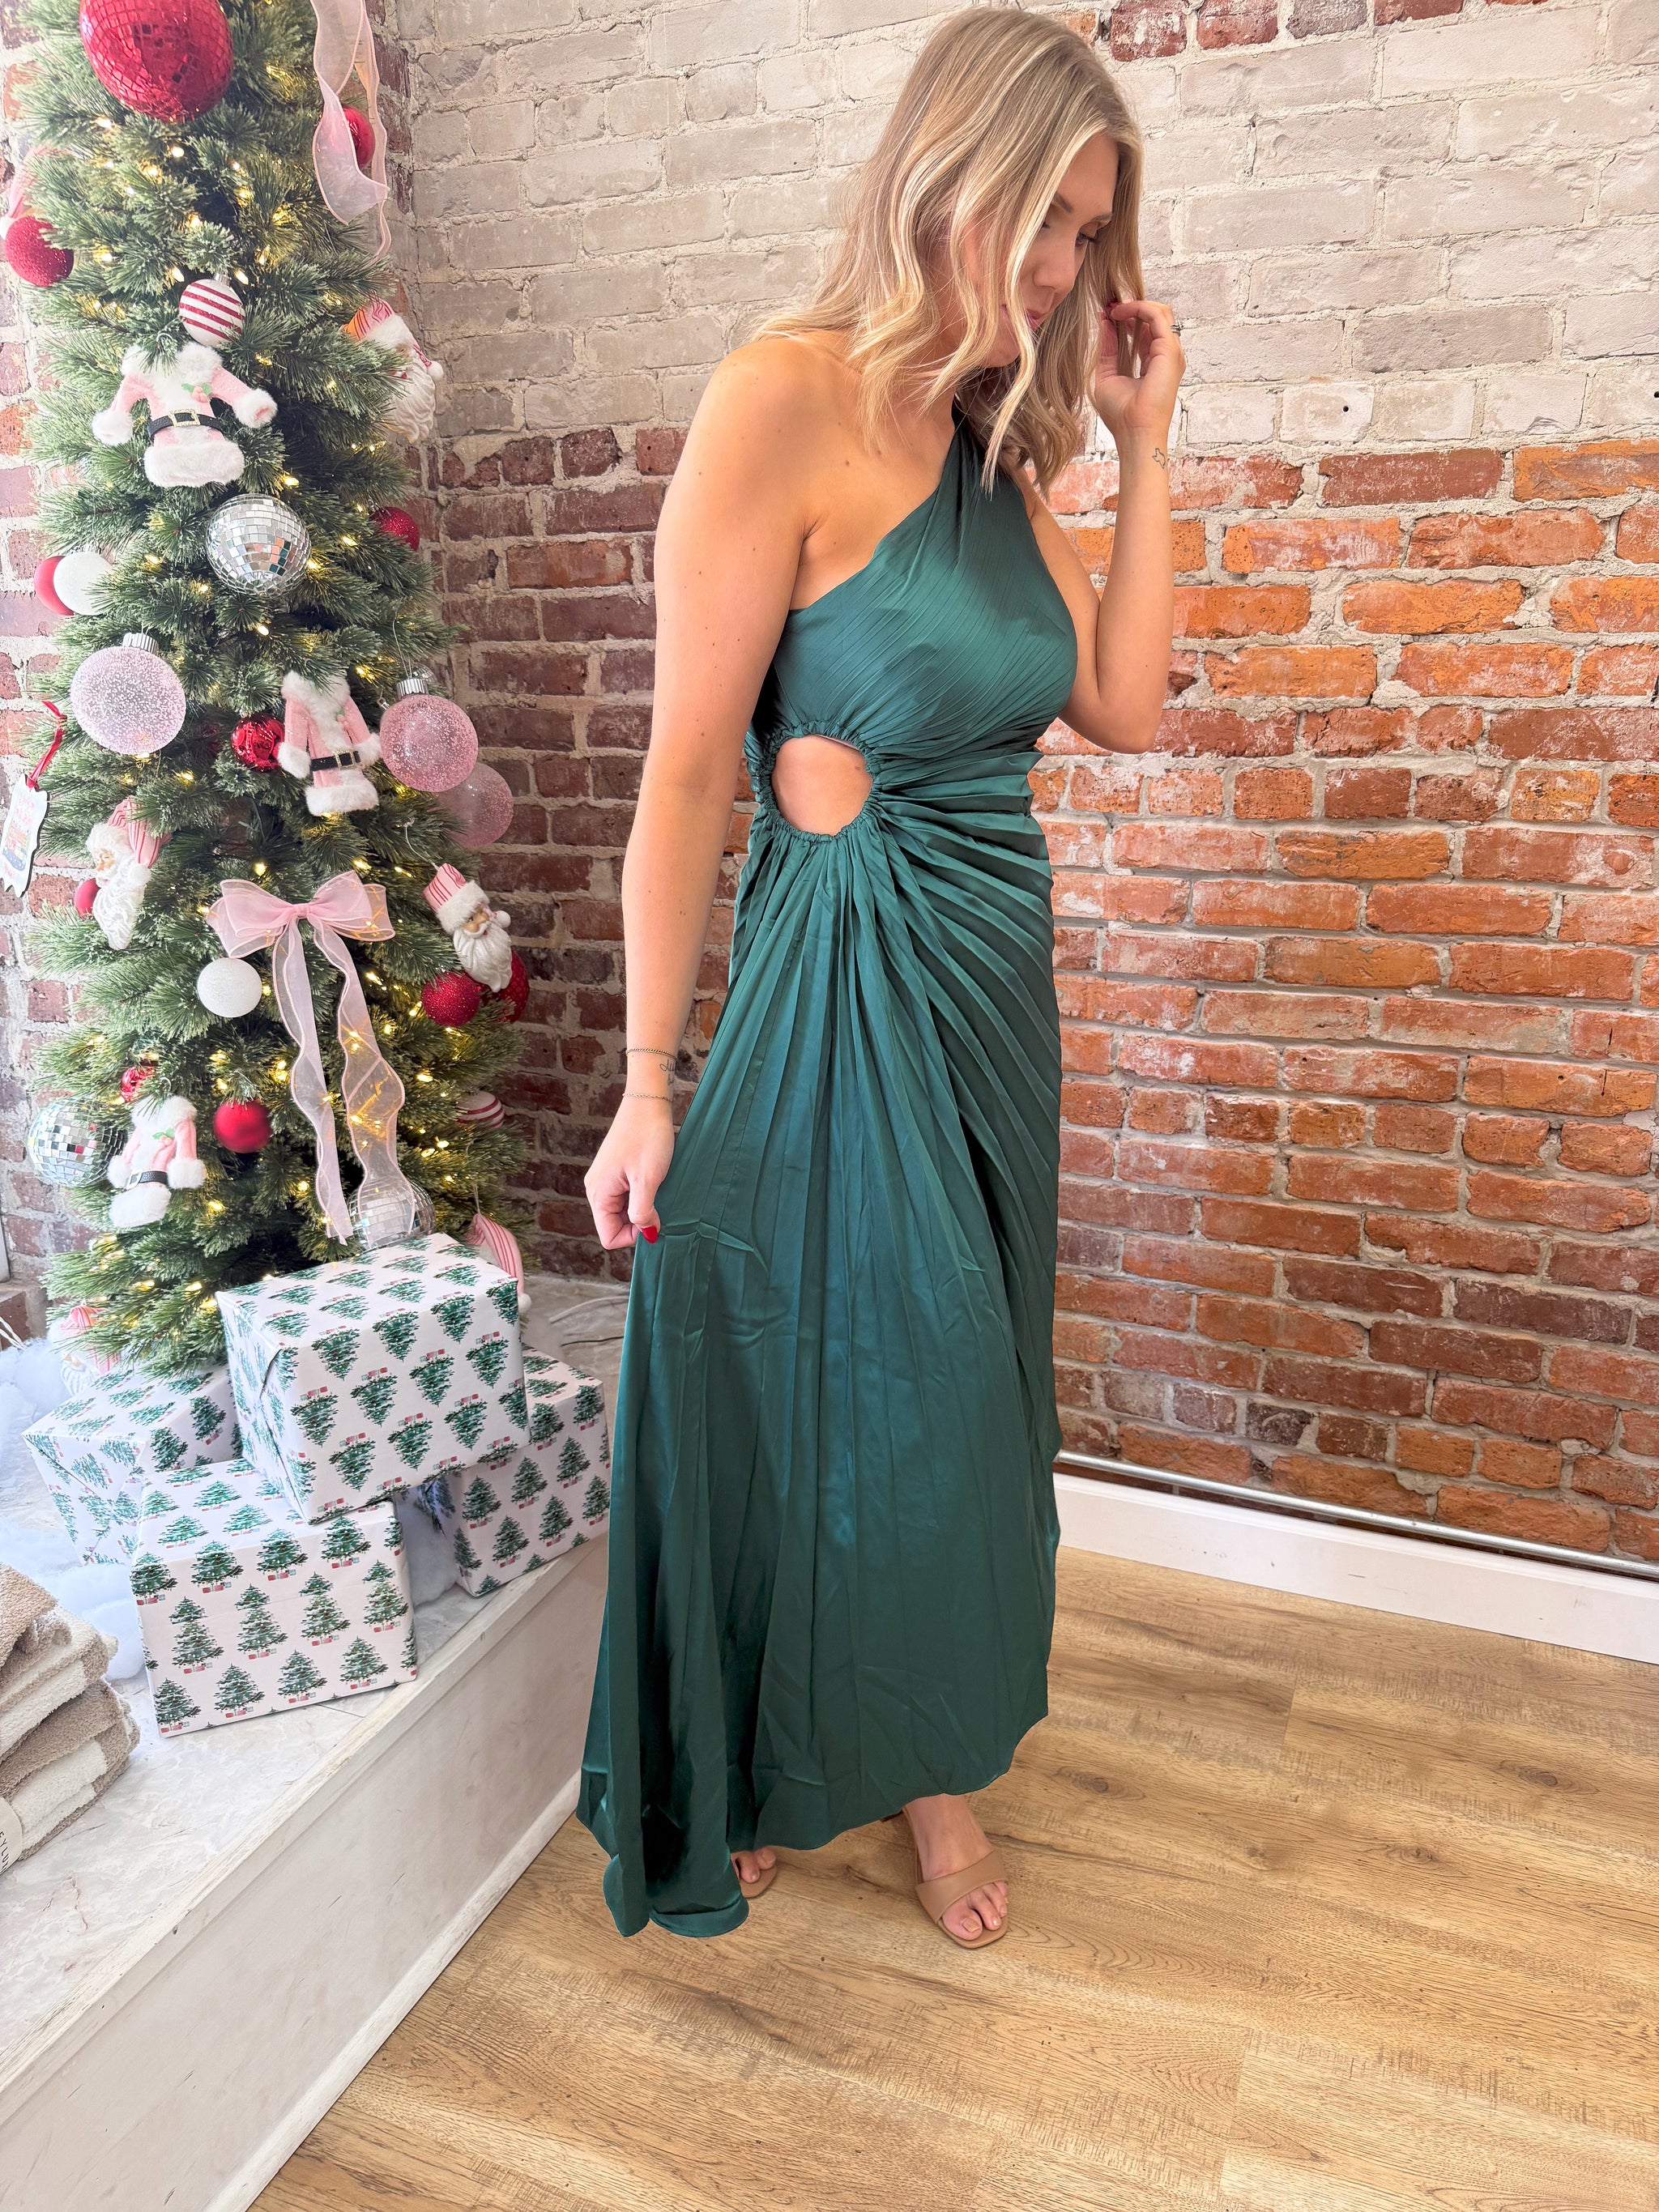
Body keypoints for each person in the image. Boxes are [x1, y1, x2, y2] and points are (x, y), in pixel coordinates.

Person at [578, 3, 1182, 1948]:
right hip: (835, 975)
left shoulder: (998, 453)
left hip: (992, 986)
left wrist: (1145, 441)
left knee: (959, 1392)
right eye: (1044, 217)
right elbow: (687, 770)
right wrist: (645, 1080)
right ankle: (753, 1754)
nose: (1062, 266)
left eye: (1088, 232)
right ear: (948, 172)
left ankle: (924, 1761)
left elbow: (1124, 703)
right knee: (801, 1372)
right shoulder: (781, 395)